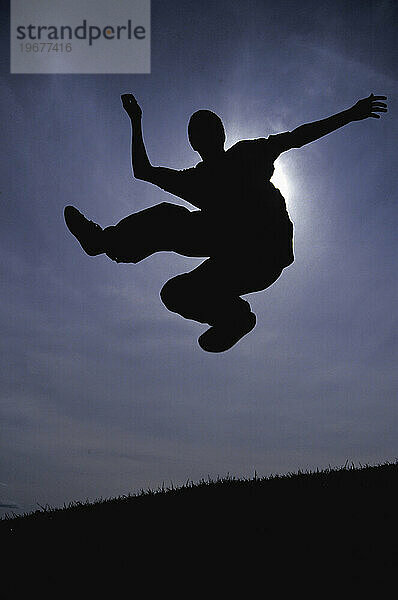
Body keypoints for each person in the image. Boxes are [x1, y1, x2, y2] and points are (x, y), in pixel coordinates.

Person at [64, 93, 387, 352]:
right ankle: (232, 318)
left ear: (220, 134)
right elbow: (144, 171)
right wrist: (136, 121)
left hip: (264, 250)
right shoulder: (197, 180)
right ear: (193, 142)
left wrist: (350, 114)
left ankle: (108, 244)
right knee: (175, 290)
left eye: (206, 129)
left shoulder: (248, 154)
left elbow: (297, 137)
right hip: (234, 256)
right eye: (196, 132)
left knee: (171, 217)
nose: (201, 136)